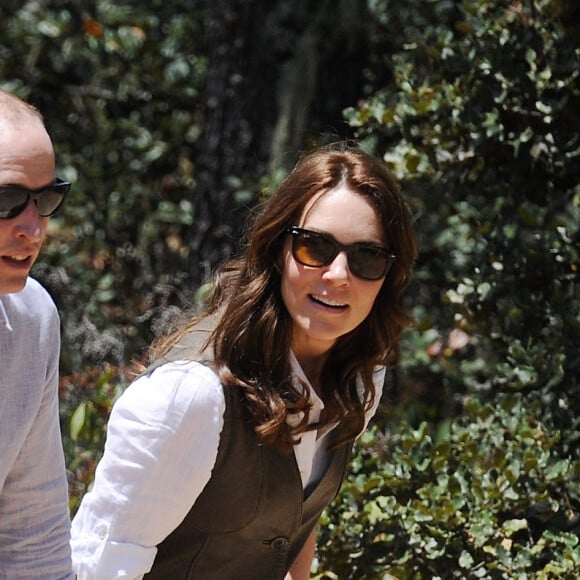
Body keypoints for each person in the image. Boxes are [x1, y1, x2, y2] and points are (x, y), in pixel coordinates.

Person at [70, 144, 417, 579]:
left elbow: (297, 516)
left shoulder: (361, 378)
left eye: (367, 257)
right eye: (315, 248)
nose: (338, 275)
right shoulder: (190, 397)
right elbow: (101, 566)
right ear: (276, 249)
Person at [0, 89, 73, 577]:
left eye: (44, 199)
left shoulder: (32, 319)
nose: (34, 227)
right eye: (7, 201)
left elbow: (33, 531)